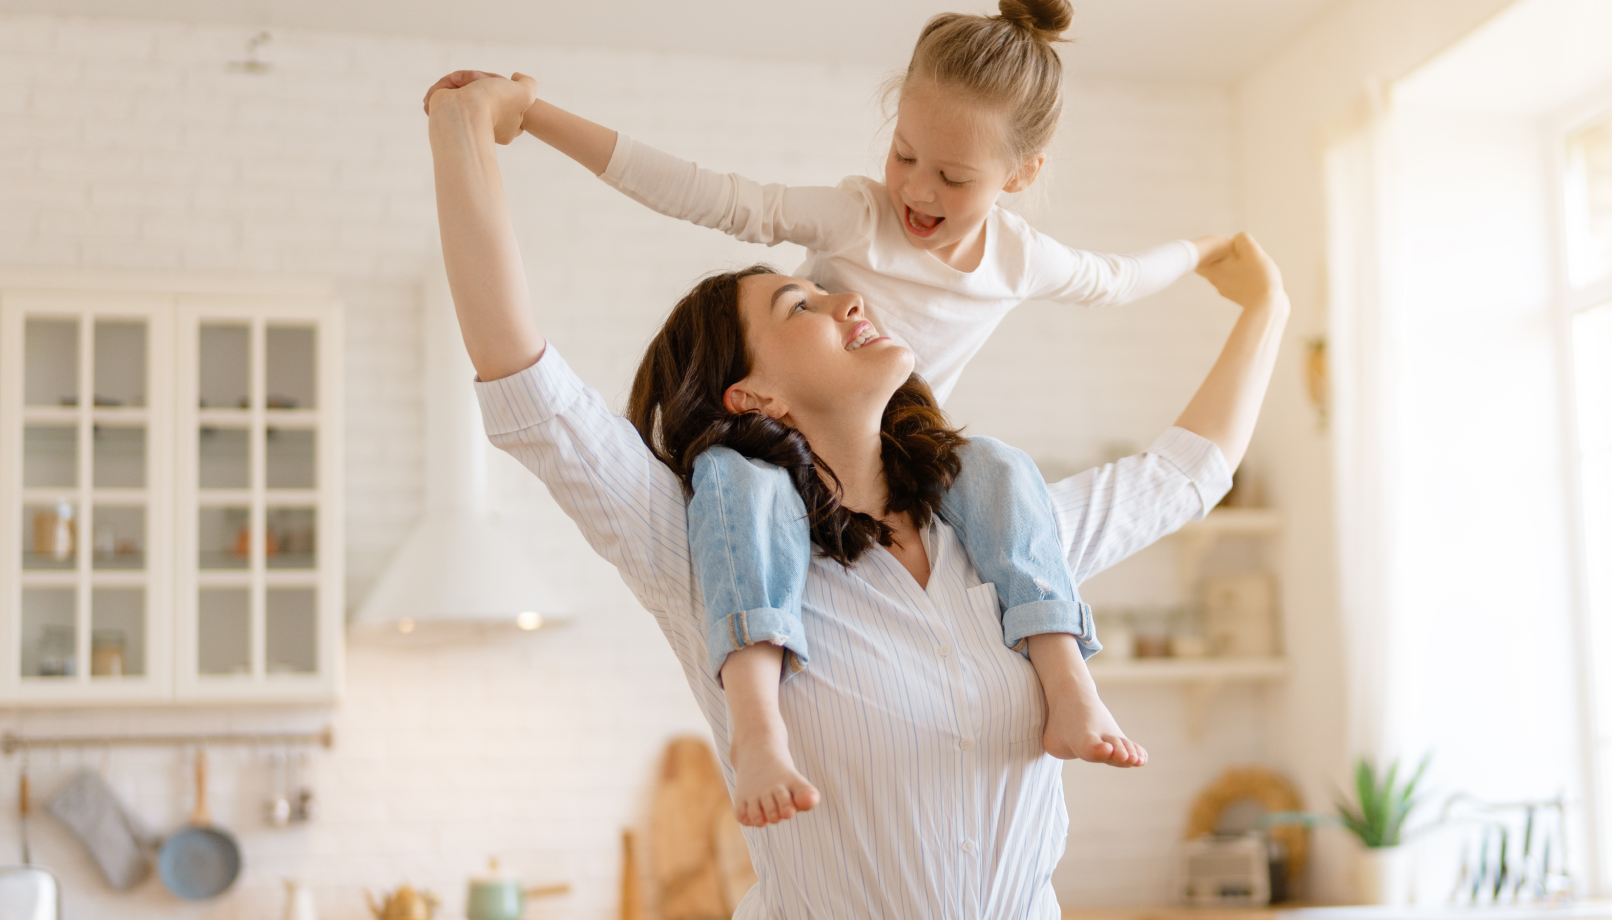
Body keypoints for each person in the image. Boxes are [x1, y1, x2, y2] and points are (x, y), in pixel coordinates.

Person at [428, 64, 1288, 917]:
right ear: (754, 396)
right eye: (800, 306)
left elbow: (1179, 478)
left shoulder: (1000, 536)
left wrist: (1267, 311)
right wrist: (467, 128)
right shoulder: (710, 551)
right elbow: (530, 390)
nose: (847, 302)